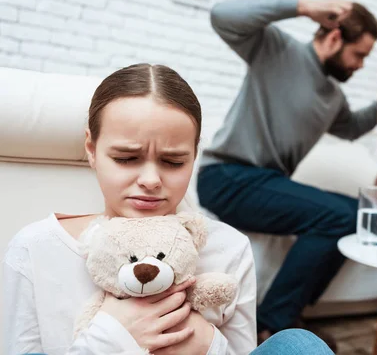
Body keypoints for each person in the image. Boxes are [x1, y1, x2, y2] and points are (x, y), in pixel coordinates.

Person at [2, 63, 333, 355]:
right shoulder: (35, 248)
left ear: (193, 155)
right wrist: (113, 336)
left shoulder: (229, 249)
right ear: (91, 149)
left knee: (300, 345)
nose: (150, 180)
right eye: (126, 158)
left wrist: (207, 344)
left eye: (174, 162)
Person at [196, 0, 377, 350]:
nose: (360, 65)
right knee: (336, 216)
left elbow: (352, 127)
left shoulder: (333, 96)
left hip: (267, 183)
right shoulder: (278, 50)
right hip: (226, 176)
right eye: (359, 55)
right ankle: (272, 324)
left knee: (357, 214)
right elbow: (222, 15)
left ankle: (288, 314)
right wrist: (303, 7)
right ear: (334, 37)